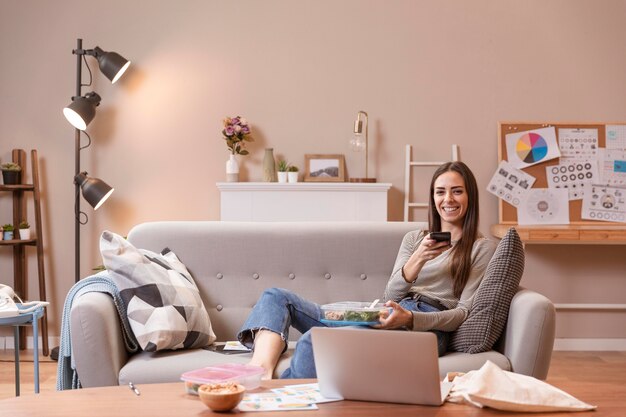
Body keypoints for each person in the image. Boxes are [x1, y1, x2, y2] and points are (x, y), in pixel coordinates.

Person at [237, 161, 497, 379]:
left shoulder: (480, 247)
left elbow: (462, 313)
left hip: (425, 326)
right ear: (433, 197)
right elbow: (391, 293)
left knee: (315, 341)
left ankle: (279, 403)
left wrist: (410, 319)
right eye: (440, 192)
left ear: (469, 196)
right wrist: (417, 260)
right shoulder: (414, 239)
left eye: (457, 191)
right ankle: (259, 373)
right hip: (388, 310)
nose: (448, 199)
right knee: (275, 296)